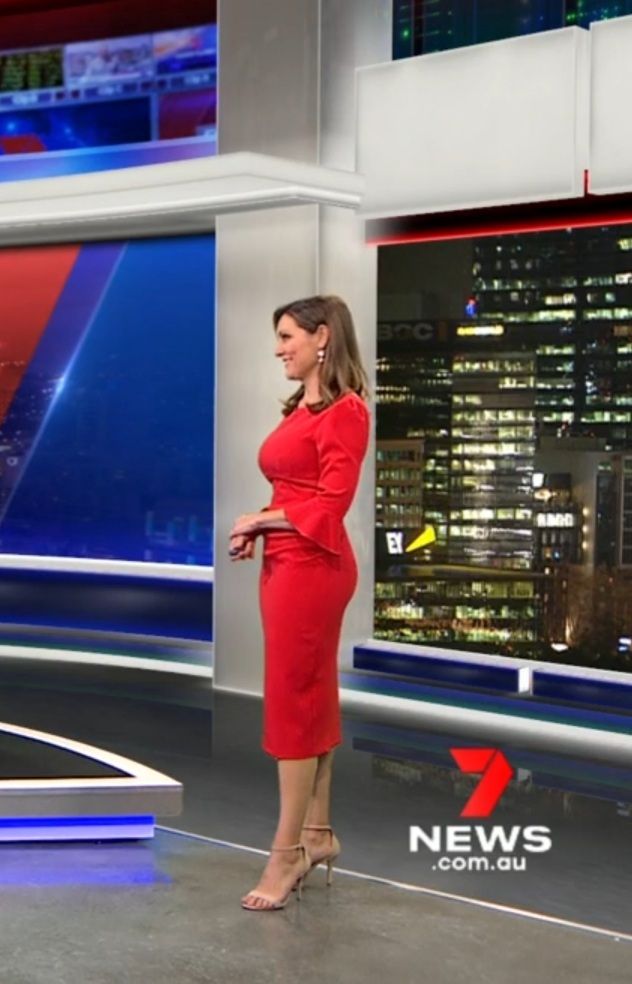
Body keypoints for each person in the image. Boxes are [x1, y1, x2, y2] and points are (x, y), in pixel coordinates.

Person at [229, 294, 370, 912]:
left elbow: (332, 503)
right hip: (286, 564)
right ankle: (317, 834)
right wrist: (258, 525)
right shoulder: (300, 410)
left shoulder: (346, 412)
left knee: (294, 703)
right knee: (310, 696)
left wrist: (263, 520)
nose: (279, 349)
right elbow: (293, 492)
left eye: (288, 337)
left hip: (315, 569)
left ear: (322, 338)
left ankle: (286, 853)